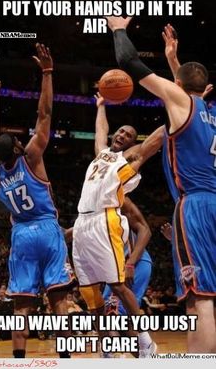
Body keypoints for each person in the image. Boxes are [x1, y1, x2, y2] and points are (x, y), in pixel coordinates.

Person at [106, 16, 216, 352]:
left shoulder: (183, 102)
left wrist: (118, 29)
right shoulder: (210, 111)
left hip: (195, 206)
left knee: (200, 300)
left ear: (180, 86)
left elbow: (127, 62)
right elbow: (186, 94)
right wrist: (173, 61)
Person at [0, 44, 73, 358]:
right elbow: (44, 114)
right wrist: (47, 73)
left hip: (21, 234)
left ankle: (18, 362)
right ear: (19, 148)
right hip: (47, 229)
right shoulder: (32, 158)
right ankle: (65, 360)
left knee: (21, 306)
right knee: (59, 302)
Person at [72, 89, 164, 357]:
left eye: (129, 135)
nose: (123, 135)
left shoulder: (129, 159)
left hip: (104, 221)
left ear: (132, 143)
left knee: (118, 286)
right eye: (121, 131)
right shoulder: (101, 154)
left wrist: (176, 110)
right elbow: (101, 131)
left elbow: (153, 143)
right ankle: (107, 351)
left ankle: (146, 344)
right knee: (92, 298)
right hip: (82, 224)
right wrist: (101, 105)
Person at [103, 196, 157, 358]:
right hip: (117, 265)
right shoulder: (91, 205)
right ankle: (145, 355)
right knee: (123, 320)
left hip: (134, 261)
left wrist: (131, 263)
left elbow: (145, 230)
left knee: (112, 312)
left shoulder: (119, 199)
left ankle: (109, 355)